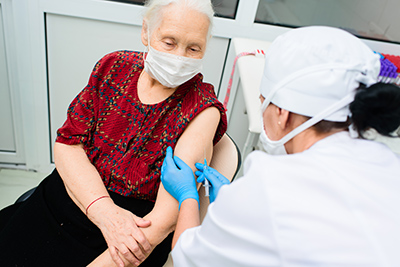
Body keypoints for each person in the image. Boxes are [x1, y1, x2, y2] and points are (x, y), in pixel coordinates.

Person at [0, 0, 227, 266]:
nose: (179, 57)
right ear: (146, 31)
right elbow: (67, 144)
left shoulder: (201, 110)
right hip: (70, 194)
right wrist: (106, 213)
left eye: (193, 48)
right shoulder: (114, 67)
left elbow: (164, 220)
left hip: (134, 231)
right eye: (169, 42)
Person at [160, 26, 400, 266]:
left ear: (282, 113)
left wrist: (188, 196)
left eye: (263, 103)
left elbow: (187, 256)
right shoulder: (388, 162)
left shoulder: (271, 185)